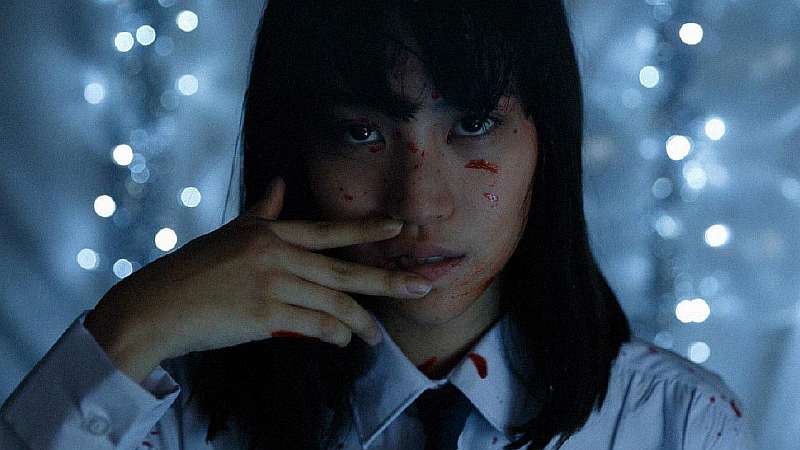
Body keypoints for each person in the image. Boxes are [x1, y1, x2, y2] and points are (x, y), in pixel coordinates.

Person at [0, 1, 757, 449]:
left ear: (545, 144)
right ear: (296, 148)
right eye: (361, 133)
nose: (419, 203)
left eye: (474, 125)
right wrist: (130, 327)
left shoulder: (680, 425)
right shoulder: (171, 418)